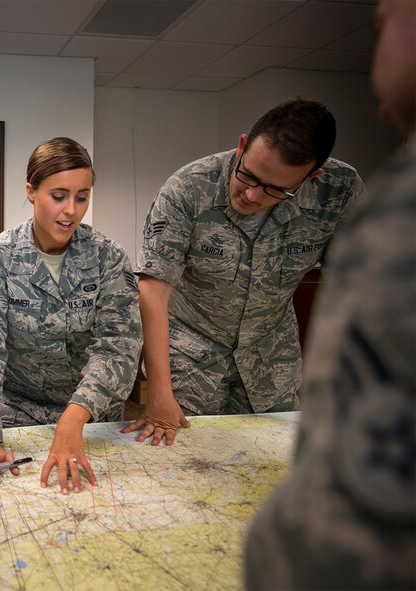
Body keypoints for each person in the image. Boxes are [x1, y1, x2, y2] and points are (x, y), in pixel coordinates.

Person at [245, 1, 415, 588]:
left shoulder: (381, 206)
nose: (376, 31)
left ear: (311, 178)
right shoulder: (395, 196)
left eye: (388, 18)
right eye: (248, 175)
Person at [123, 97, 367, 446]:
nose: (252, 194)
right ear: (242, 146)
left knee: (274, 462)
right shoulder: (190, 187)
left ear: (311, 177)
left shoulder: (338, 192)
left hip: (271, 358)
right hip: (190, 358)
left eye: (275, 188)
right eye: (248, 175)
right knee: (187, 467)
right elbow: (152, 290)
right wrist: (159, 392)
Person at [0, 137, 142, 494]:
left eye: (82, 196)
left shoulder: (108, 258)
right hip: (14, 419)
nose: (71, 209)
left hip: (90, 418)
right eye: (58, 196)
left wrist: (75, 417)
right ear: (31, 191)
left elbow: (119, 348)